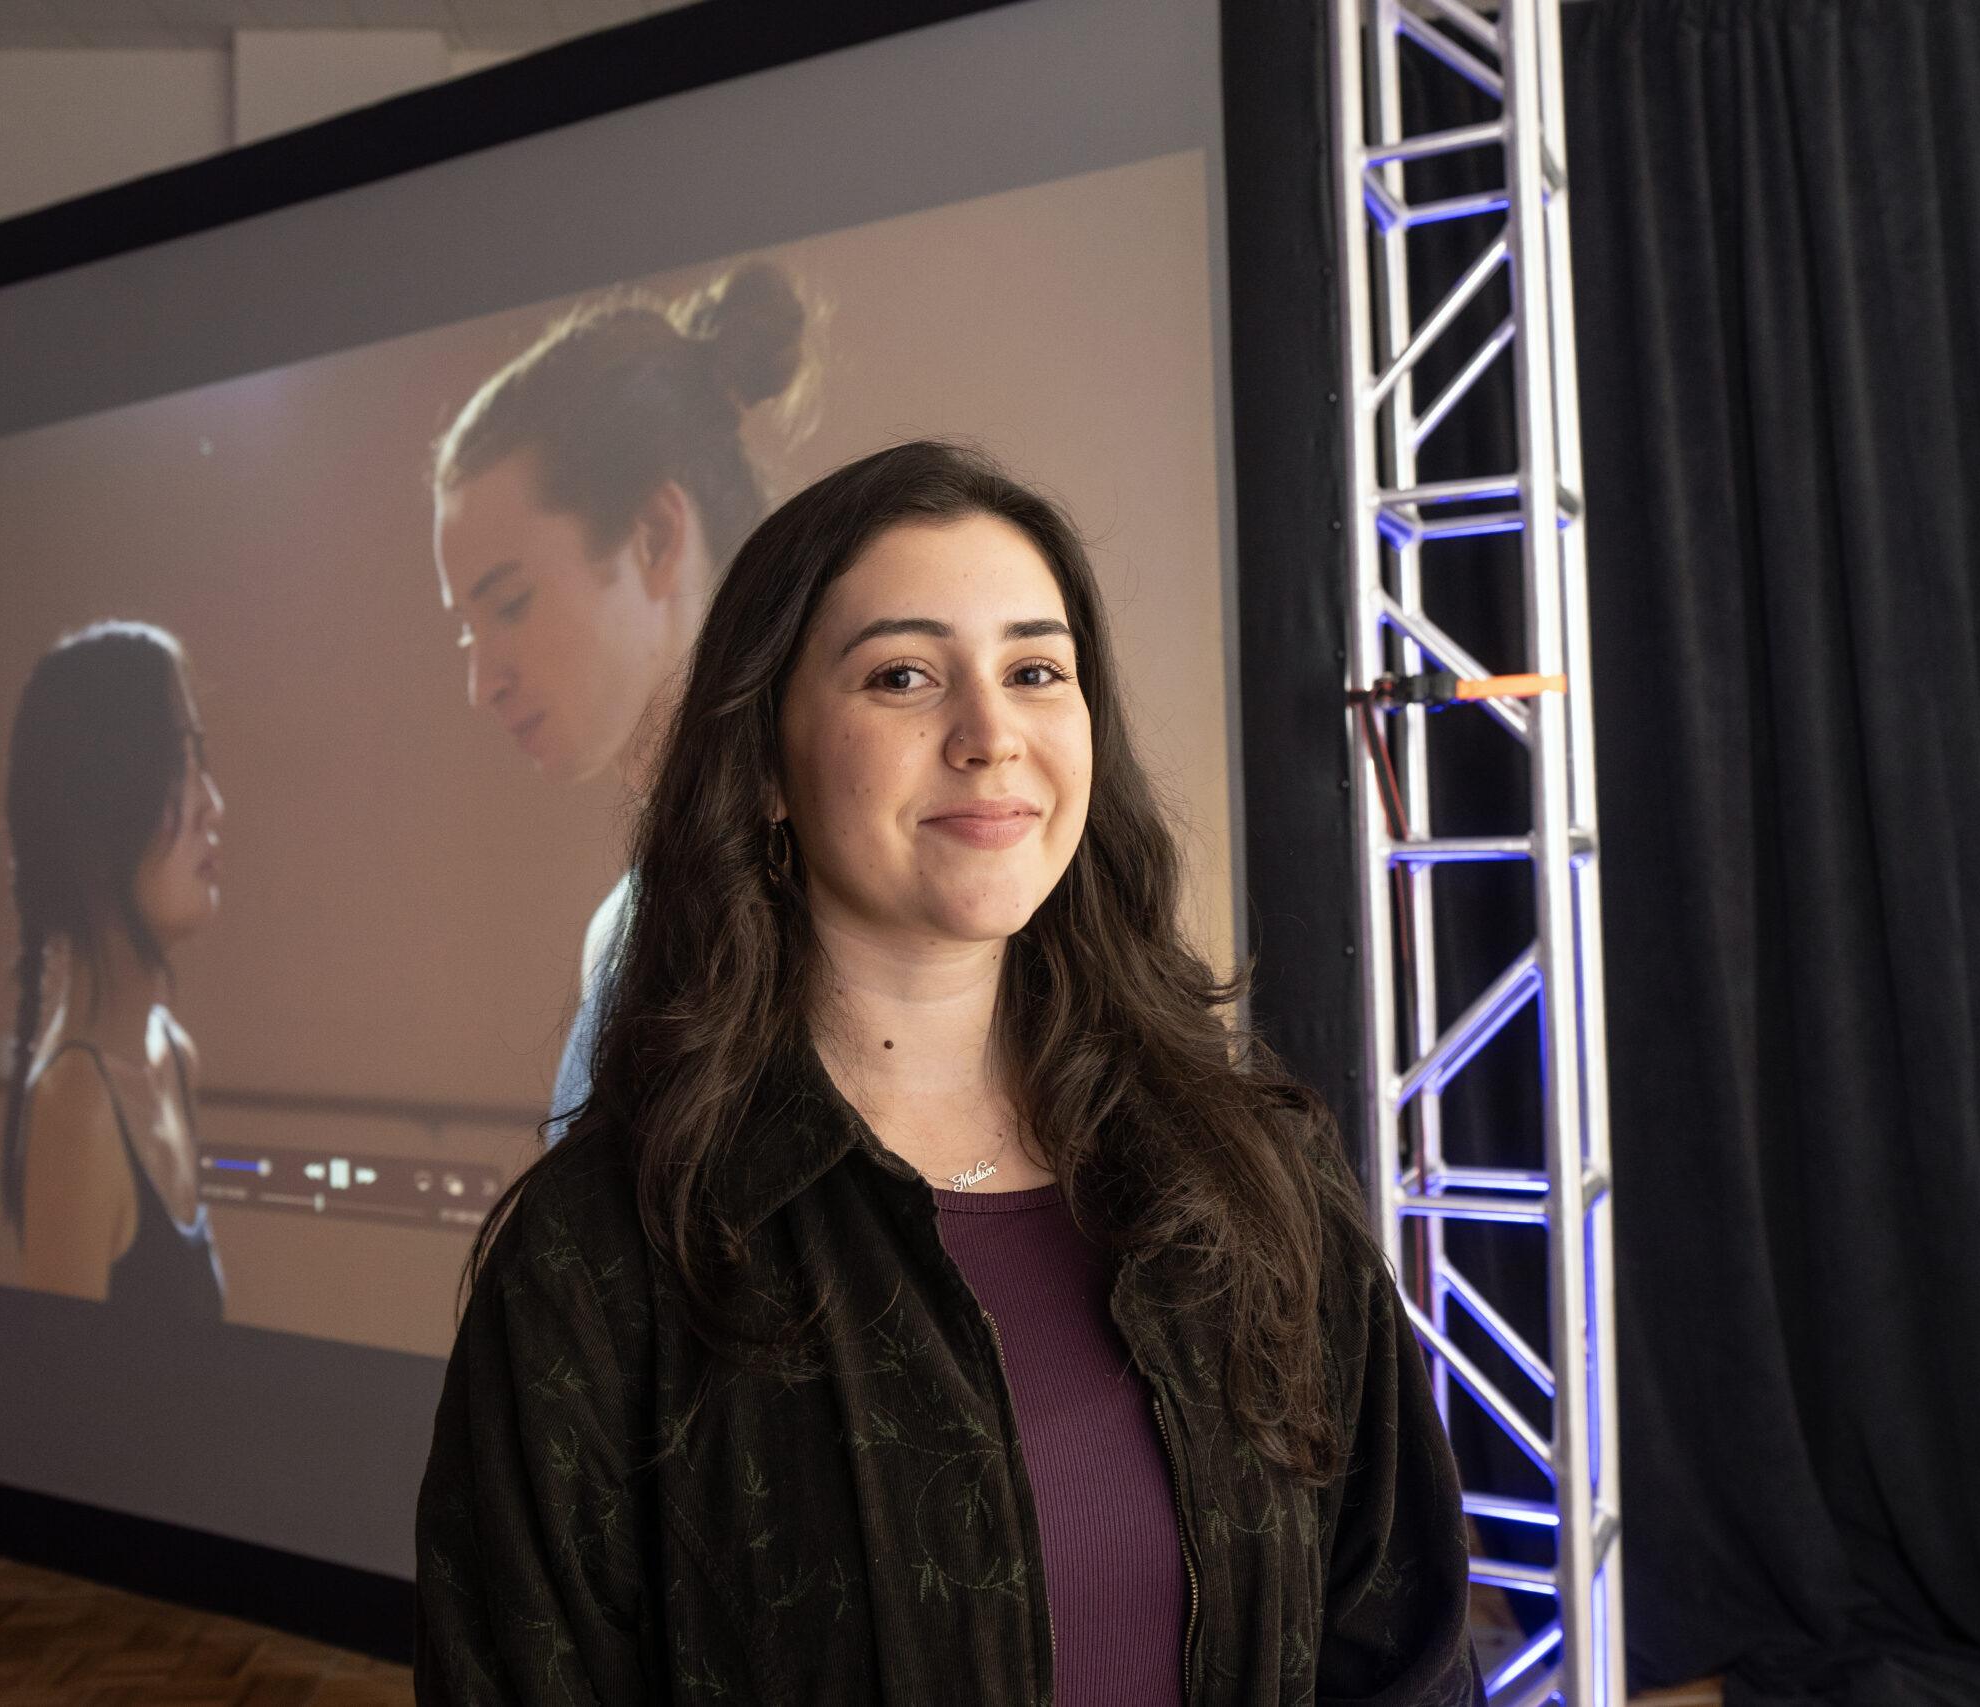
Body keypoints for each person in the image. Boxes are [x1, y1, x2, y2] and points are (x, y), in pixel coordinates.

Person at [414, 442, 1481, 1705]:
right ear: (763, 764)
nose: (990, 736)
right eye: (904, 676)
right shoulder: (599, 1257)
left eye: (1036, 671)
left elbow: (1395, 1650)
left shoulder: (1260, 1173)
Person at [427, 260, 816, 1139]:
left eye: (512, 603)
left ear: (656, 536)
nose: (483, 681)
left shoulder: (848, 882)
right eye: (466, 627)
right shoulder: (626, 925)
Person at [0, 621, 228, 1322]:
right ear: (100, 810)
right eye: (174, 767)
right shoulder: (77, 1106)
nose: (212, 807)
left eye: (200, 760)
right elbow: (62, 1408)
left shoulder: (173, 1058)